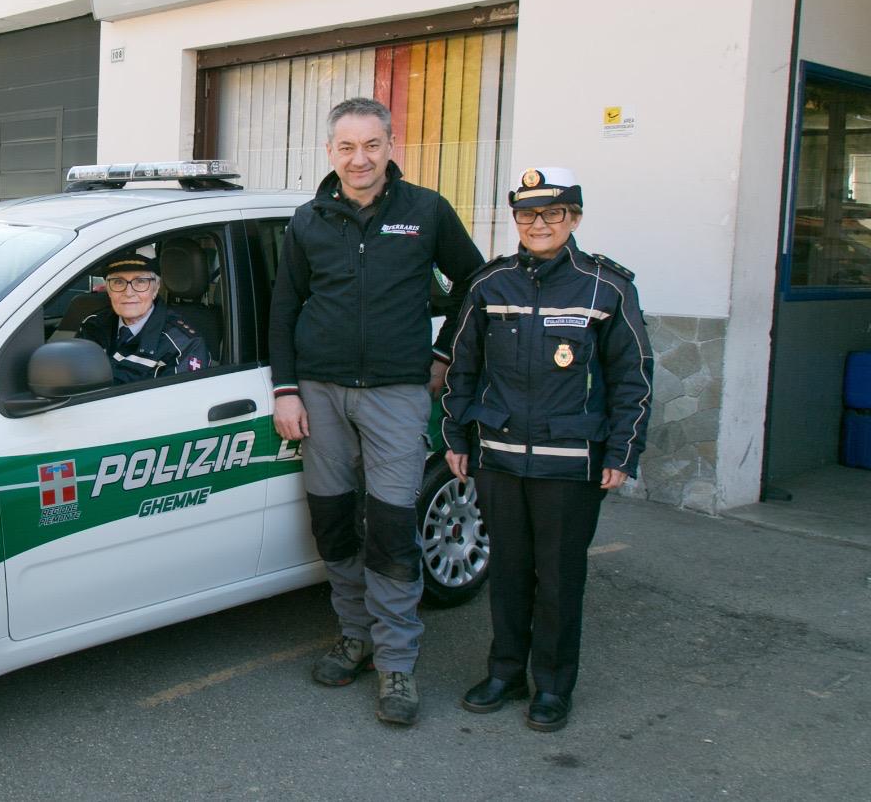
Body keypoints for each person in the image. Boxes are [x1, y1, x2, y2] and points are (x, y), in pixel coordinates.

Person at [269, 96, 485, 726]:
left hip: (396, 394)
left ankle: (396, 661)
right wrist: (286, 390)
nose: (358, 158)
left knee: (391, 528)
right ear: (330, 151)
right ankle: (355, 636)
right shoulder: (308, 221)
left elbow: (475, 282)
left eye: (371, 145)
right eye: (346, 147)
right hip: (319, 394)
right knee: (334, 520)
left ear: (391, 146)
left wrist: (443, 352)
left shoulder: (426, 211)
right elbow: (284, 307)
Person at [441, 167, 651, 732]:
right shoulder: (490, 284)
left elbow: (633, 378)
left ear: (573, 218)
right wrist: (456, 436)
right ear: (515, 220)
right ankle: (505, 673)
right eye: (527, 214)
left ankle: (554, 686)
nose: (539, 224)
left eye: (552, 213)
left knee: (558, 579)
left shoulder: (606, 288)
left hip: (570, 462)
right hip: (500, 456)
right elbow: (462, 368)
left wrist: (621, 453)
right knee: (508, 572)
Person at [77, 250, 209, 383]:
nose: (128, 293)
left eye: (140, 281)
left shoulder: (184, 345)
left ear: (156, 288)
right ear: (109, 290)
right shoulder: (93, 325)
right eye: (118, 282)